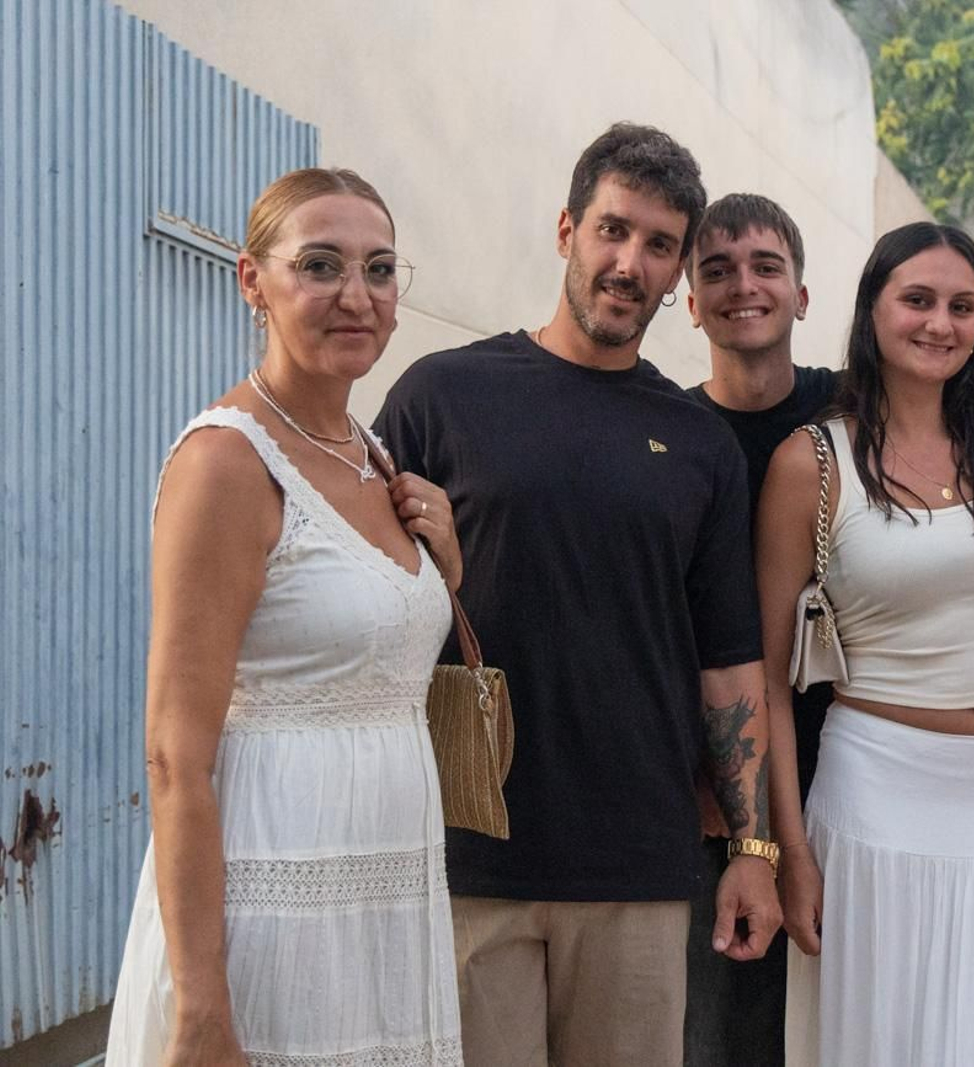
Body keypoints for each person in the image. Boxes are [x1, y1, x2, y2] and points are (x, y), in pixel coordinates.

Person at [372, 124, 780, 1067]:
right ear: (566, 230)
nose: (629, 263)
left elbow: (728, 663)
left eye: (659, 244)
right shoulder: (442, 396)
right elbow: (373, 608)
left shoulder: (699, 443)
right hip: (469, 852)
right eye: (612, 230)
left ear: (679, 270)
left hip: (637, 865)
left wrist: (750, 852)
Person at [107, 168, 463, 1064]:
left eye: (380, 270)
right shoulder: (227, 462)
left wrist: (445, 567)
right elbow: (174, 754)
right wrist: (198, 1007)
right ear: (252, 280)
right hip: (272, 910)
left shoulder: (373, 456)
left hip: (384, 907)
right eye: (320, 264)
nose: (358, 296)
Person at [762, 222, 974, 1066]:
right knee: (887, 1038)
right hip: (880, 786)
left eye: (962, 306)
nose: (942, 323)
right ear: (872, 312)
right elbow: (767, 682)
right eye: (919, 300)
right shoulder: (812, 463)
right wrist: (788, 849)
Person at [680, 193, 833, 1067]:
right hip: (720, 805)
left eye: (767, 265)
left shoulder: (858, 411)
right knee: (729, 1041)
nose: (744, 285)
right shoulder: (662, 427)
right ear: (691, 300)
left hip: (853, 784)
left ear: (803, 294)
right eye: (717, 269)